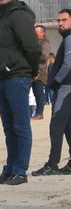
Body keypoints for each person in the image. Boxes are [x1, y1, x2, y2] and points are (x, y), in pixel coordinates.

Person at [0, 0, 42, 185]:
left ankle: (20, 171)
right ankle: (10, 169)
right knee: (8, 127)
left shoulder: (18, 16)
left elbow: (33, 47)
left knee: (20, 126)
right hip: (1, 77)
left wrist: (32, 71)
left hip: (18, 76)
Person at [34, 9, 71, 176]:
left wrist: (55, 82)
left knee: (56, 126)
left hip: (65, 88)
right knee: (68, 127)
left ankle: (52, 165)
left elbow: (69, 63)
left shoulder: (70, 39)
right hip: (66, 88)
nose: (60, 23)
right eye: (58, 20)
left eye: (64, 20)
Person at [33, 24, 52, 119]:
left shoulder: (45, 43)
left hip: (40, 73)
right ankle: (36, 112)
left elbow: (44, 57)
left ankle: (39, 113)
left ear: (42, 33)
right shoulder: (34, 42)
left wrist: (32, 54)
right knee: (34, 93)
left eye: (36, 33)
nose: (34, 34)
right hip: (32, 71)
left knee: (39, 93)